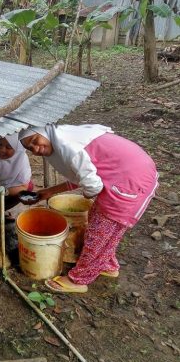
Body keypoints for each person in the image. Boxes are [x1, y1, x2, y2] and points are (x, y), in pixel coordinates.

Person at [19, 124, 158, 293]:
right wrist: (49, 192)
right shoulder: (67, 137)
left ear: (46, 133)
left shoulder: (68, 147)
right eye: (29, 148)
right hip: (133, 171)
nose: (35, 149)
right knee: (106, 228)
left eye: (35, 140)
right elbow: (82, 174)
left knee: (99, 232)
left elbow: (93, 186)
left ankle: (79, 280)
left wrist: (87, 194)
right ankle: (107, 265)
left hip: (130, 180)